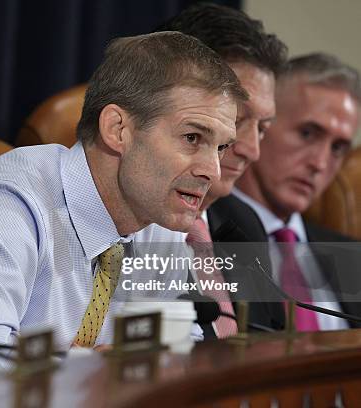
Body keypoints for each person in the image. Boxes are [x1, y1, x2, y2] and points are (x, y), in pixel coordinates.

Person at [0, 31, 246, 367]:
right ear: (117, 130)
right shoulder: (3, 206)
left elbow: (181, 356)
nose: (213, 171)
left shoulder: (159, 223)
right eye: (192, 138)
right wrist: (96, 371)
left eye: (221, 147)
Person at [159, 3, 288, 338]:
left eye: (262, 128)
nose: (251, 149)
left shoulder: (243, 225)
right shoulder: (123, 224)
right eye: (236, 118)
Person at [228, 53, 361, 331]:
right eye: (308, 133)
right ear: (261, 125)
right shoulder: (201, 237)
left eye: (338, 148)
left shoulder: (353, 257)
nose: (320, 163)